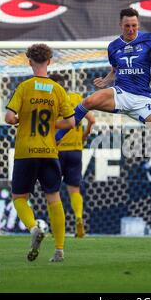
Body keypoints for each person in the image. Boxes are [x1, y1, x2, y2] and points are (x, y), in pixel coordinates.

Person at [55, 7, 151, 193]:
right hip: (121, 94)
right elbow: (115, 70)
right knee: (88, 102)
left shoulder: (150, 39)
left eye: (134, 25)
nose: (131, 29)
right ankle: (56, 140)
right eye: (127, 26)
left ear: (138, 24)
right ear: (121, 25)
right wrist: (105, 80)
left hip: (144, 101)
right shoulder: (113, 46)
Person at [5, 44, 75, 262]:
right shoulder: (57, 89)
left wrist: (19, 119)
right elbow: (71, 122)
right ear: (49, 62)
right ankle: (60, 249)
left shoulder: (24, 87)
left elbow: (9, 118)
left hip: (26, 152)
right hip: (49, 152)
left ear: (29, 62)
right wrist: (52, 124)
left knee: (19, 197)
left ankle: (33, 227)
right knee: (53, 198)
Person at [58, 91, 95, 238]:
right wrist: (83, 137)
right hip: (75, 150)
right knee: (74, 190)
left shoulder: (53, 97)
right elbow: (92, 120)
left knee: (52, 190)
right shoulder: (76, 98)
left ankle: (57, 228)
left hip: (57, 149)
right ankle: (79, 217)